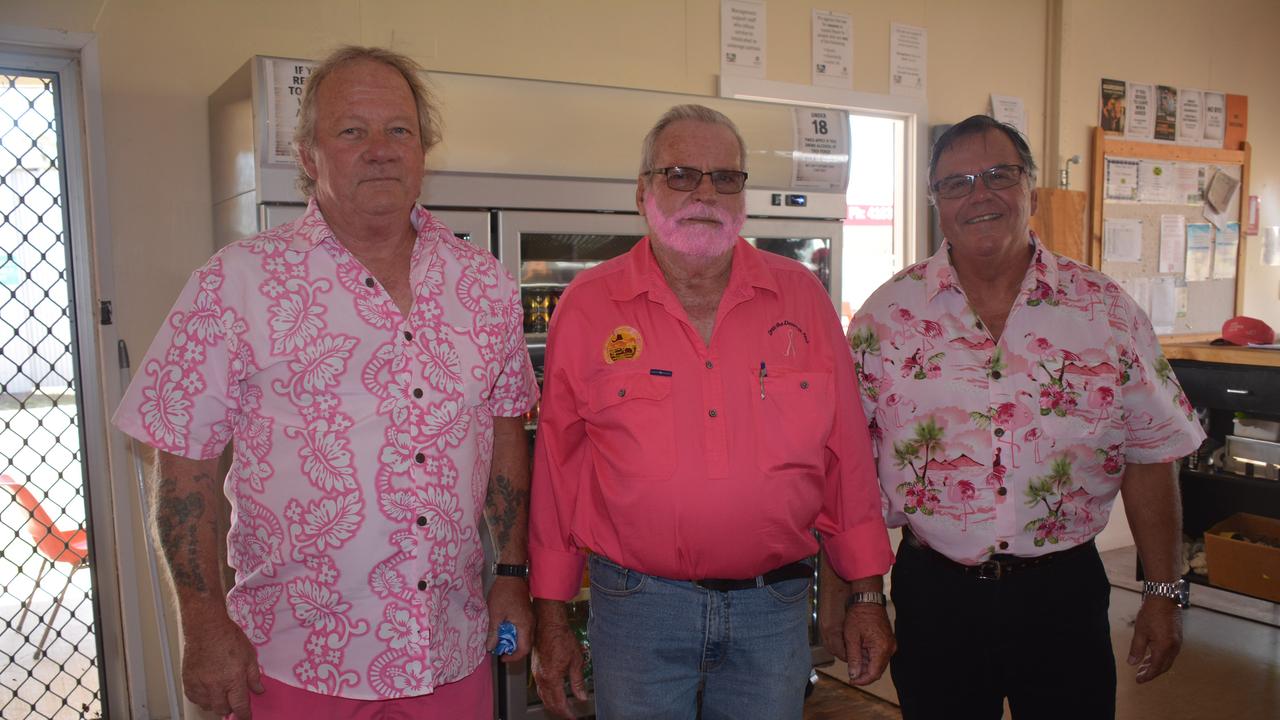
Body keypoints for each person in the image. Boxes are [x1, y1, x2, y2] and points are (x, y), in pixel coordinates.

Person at [113, 46, 538, 720]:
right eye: (351, 131)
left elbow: (505, 428)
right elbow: (183, 469)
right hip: (293, 662)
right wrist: (202, 624)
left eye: (399, 129)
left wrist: (512, 576)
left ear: (423, 149)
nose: (380, 149)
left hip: (449, 651)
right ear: (308, 155)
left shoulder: (482, 284)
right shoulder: (236, 284)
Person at [823, 114, 1205, 719]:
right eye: (957, 183)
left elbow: (1151, 454)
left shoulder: (1104, 310)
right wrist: (852, 597)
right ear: (935, 201)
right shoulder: (885, 319)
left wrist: (1164, 593)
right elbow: (843, 471)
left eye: (999, 175)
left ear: (1030, 186)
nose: (980, 195)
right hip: (935, 595)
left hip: (1064, 597)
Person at [528, 104, 894, 720]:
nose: (705, 192)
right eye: (681, 175)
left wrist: (865, 593)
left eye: (726, 177)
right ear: (642, 191)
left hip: (773, 610)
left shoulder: (800, 296)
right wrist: (553, 617)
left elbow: (846, 456)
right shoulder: (589, 306)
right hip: (637, 608)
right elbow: (558, 471)